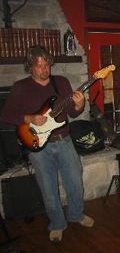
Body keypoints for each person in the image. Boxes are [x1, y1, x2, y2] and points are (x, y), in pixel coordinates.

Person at [0, 46, 94, 242]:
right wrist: (29, 118)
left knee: (75, 181)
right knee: (48, 188)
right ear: (30, 67)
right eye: (38, 66)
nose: (44, 69)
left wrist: (80, 104)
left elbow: (72, 112)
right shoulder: (20, 87)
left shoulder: (61, 82)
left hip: (64, 140)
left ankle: (76, 214)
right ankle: (57, 224)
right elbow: (6, 115)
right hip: (38, 145)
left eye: (46, 65)